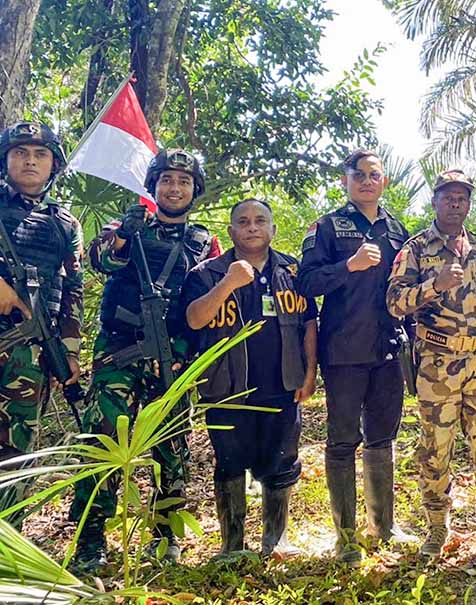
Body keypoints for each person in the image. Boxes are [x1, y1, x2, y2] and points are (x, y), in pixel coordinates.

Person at [71, 149, 219, 572]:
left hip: (173, 359)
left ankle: (167, 536)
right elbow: (99, 261)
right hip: (119, 353)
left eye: (184, 181)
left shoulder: (204, 242)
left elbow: (208, 299)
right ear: (154, 185)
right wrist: (122, 237)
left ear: (195, 190)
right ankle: (90, 539)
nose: (175, 188)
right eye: (167, 180)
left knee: (172, 451)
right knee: (103, 446)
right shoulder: (126, 226)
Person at [297, 149, 416, 564]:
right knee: (344, 440)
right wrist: (347, 265)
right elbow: (306, 283)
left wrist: (413, 344)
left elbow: (407, 292)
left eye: (374, 175)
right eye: (359, 174)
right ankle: (346, 536)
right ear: (346, 181)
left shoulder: (398, 230)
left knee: (382, 438)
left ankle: (383, 526)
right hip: (343, 351)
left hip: (387, 350)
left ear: (384, 182)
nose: (367, 181)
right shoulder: (328, 227)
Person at [184, 198, 317, 559]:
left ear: (272, 229)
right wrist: (228, 282)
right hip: (227, 390)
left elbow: (308, 323)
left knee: (282, 461)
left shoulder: (292, 271)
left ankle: (276, 540)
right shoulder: (206, 273)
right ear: (231, 232)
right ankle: (231, 545)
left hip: (282, 385)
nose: (252, 227)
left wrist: (310, 372)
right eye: (243, 222)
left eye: (260, 221)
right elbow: (194, 319)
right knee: (229, 462)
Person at [386, 169, 476, 561]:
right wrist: (433, 285)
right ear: (435, 201)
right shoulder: (416, 249)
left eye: (462, 198)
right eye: (448, 197)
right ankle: (437, 527)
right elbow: (393, 303)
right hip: (436, 366)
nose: (456, 204)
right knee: (435, 452)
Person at [0, 121, 84, 503]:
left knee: (20, 455)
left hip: (33, 352)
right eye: (20, 153)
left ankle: (9, 549)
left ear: (53, 164)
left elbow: (72, 290)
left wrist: (68, 352)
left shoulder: (65, 224)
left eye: (40, 154)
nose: (29, 161)